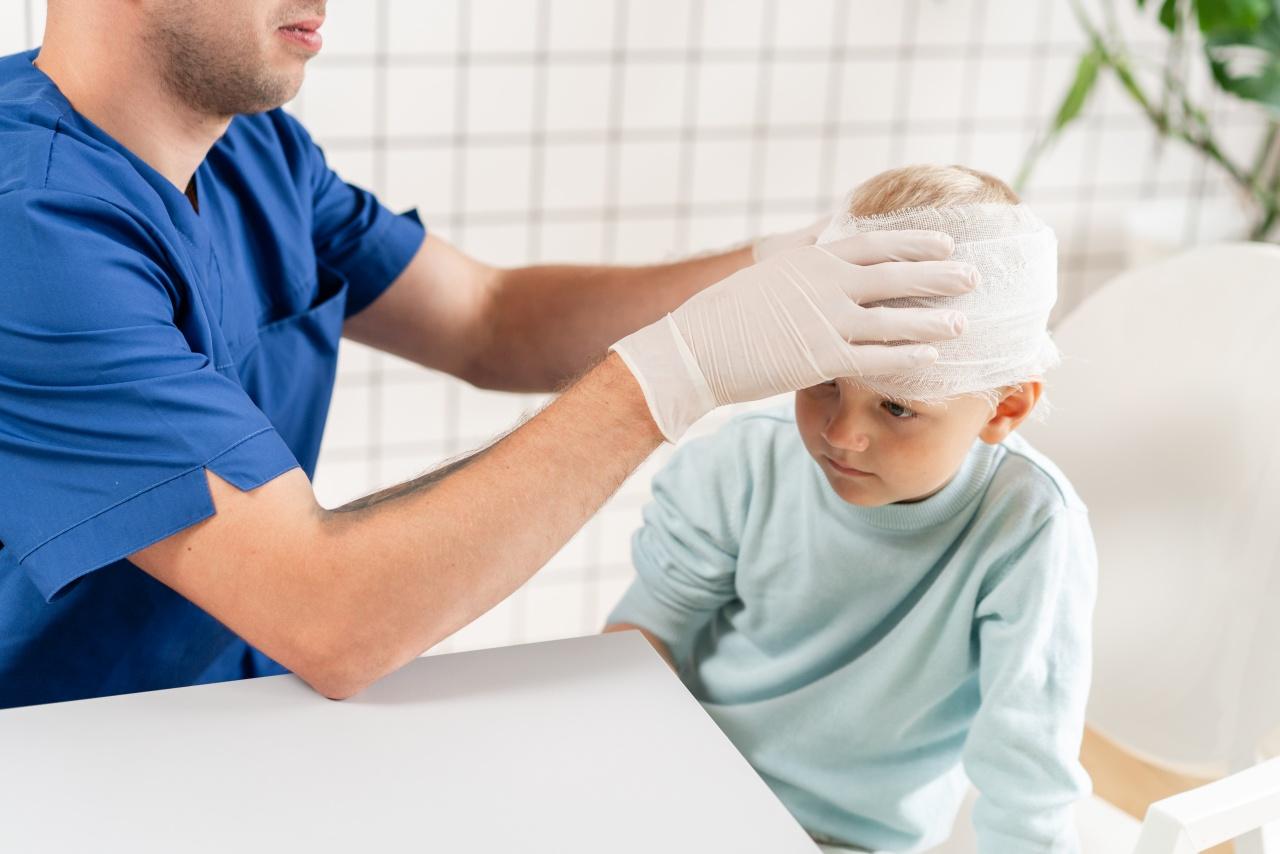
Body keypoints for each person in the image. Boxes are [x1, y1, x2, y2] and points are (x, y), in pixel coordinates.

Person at [0, 3, 978, 709]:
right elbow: (329, 616)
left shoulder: (257, 154)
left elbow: (487, 318)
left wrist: (777, 268)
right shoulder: (32, 228)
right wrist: (681, 370)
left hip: (237, 699)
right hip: (63, 746)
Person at [605, 165, 1097, 853]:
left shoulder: (1030, 526)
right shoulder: (743, 465)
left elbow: (1027, 768)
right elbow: (641, 640)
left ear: (1005, 407)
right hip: (689, 798)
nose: (841, 434)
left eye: (896, 407)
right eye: (823, 384)